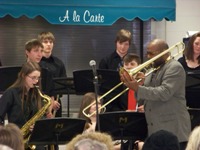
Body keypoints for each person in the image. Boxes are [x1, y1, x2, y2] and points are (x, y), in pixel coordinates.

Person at [120, 39, 191, 150]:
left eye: (151, 53)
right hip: (154, 130)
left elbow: (164, 93)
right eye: (147, 53)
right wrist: (139, 85)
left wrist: (138, 88)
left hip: (173, 130)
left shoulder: (174, 67)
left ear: (164, 52)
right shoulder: (153, 69)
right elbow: (142, 101)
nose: (148, 56)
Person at [0, 61, 51, 150]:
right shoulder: (10, 93)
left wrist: (38, 125)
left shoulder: (38, 94)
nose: (36, 81)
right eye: (33, 78)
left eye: (38, 78)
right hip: (16, 139)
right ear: (23, 75)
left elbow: (42, 116)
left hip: (34, 139)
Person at [25, 39, 60, 117]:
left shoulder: (47, 73)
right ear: (27, 52)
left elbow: (50, 95)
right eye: (36, 51)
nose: (39, 54)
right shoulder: (20, 72)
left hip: (41, 113)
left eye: (41, 51)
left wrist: (49, 111)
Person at [38, 31, 67, 117]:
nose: (49, 44)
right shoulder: (36, 62)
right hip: (38, 104)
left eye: (51, 42)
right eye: (45, 42)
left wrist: (54, 101)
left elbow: (63, 84)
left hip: (56, 104)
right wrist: (49, 102)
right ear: (39, 44)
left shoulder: (59, 63)